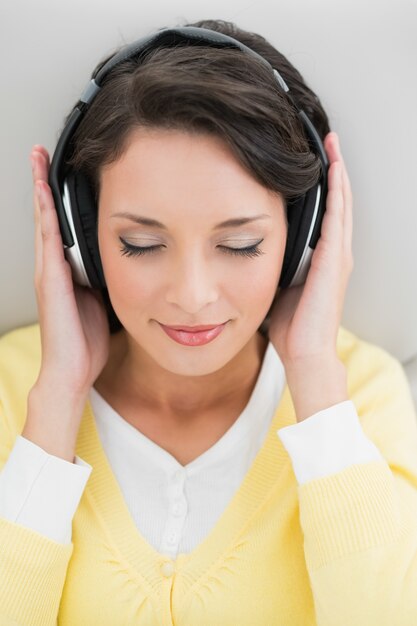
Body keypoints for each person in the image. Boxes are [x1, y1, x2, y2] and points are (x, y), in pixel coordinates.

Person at [1, 17, 417, 626]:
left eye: (241, 244)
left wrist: (317, 385)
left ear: (302, 238)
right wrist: (56, 405)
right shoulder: (15, 389)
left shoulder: (362, 393)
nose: (192, 297)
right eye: (142, 244)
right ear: (80, 237)